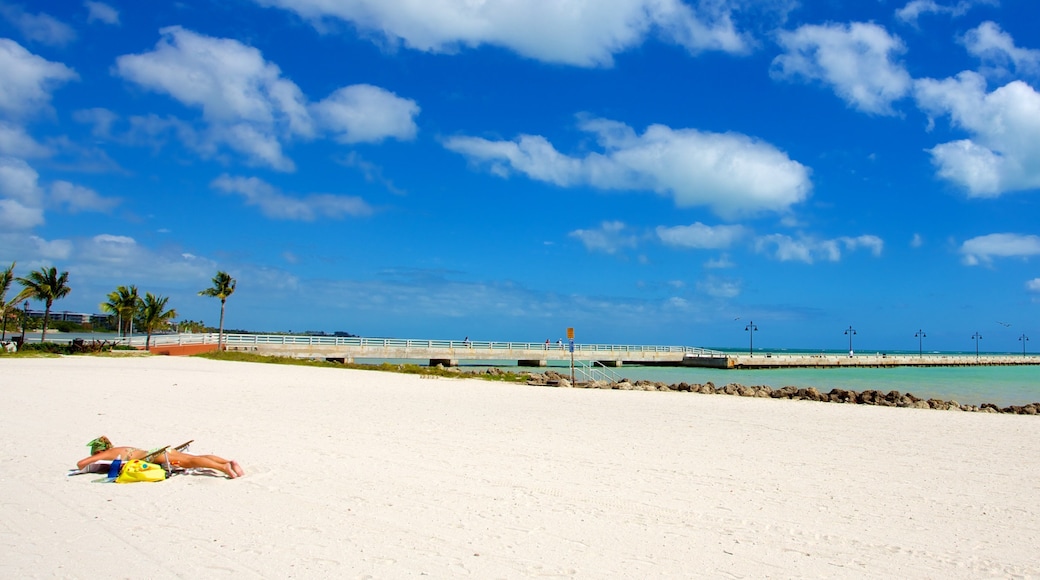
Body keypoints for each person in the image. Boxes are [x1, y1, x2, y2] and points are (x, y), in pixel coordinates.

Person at [77, 436, 245, 479]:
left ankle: (223, 468)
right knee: (192, 457)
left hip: (152, 456)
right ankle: (228, 462)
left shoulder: (107, 453)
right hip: (157, 450)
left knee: (189, 462)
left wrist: (94, 462)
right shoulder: (120, 449)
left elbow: (81, 464)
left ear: (99, 451)